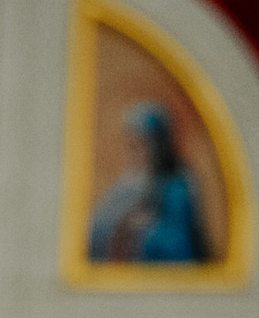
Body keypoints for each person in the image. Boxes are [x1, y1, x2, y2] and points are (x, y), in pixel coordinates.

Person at [87, 102, 212, 267]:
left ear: (159, 146)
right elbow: (97, 226)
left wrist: (144, 226)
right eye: (131, 145)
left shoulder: (177, 184)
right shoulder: (128, 182)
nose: (135, 153)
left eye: (141, 145)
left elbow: (179, 242)